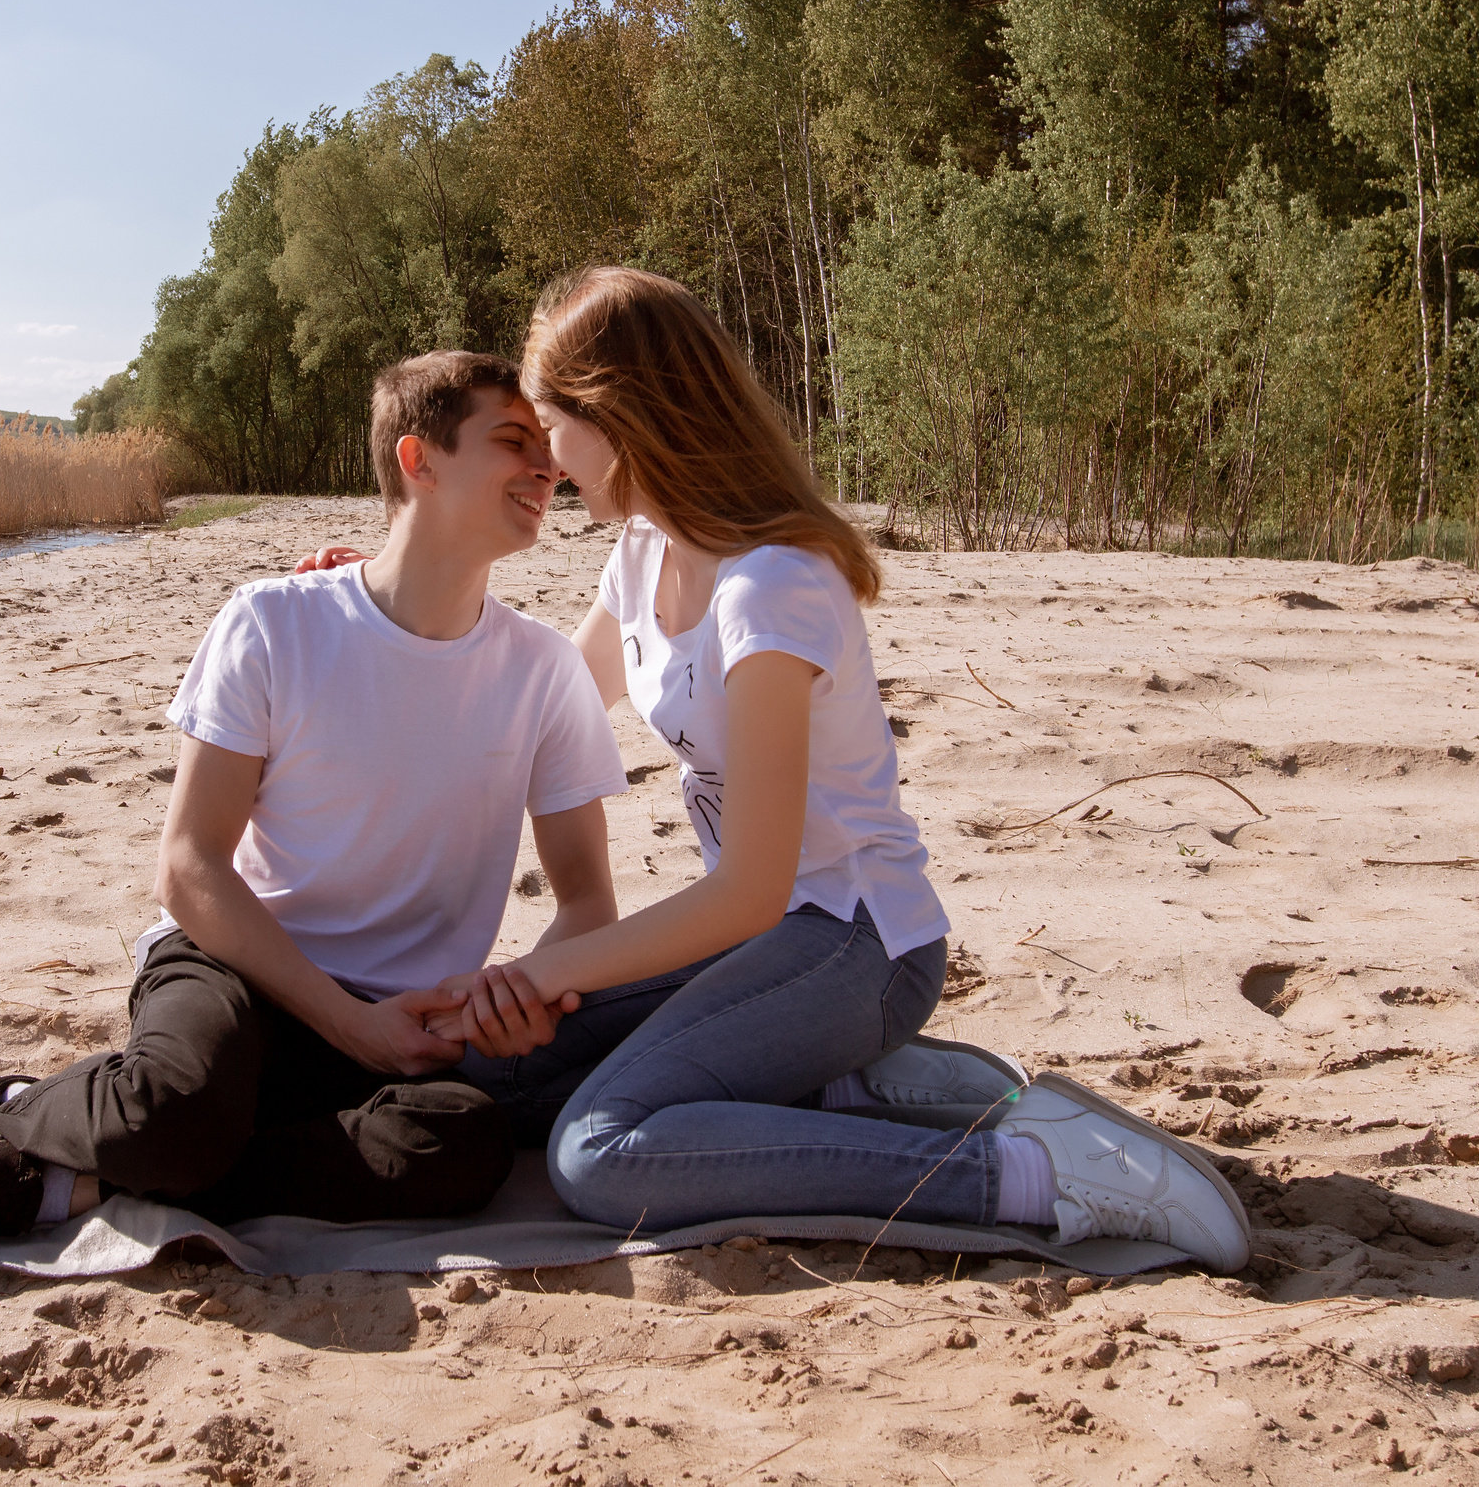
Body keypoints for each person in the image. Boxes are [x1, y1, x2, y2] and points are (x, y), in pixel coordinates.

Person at [426, 267, 1251, 1271]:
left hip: (857, 944)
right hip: (767, 941)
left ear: (621, 414)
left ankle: (1040, 1172)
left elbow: (750, 890)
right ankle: (846, 1089)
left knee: (600, 1154)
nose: (547, 458)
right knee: (491, 1076)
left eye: (552, 423)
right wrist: (390, 604)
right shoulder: (641, 553)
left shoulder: (768, 590)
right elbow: (544, 700)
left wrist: (545, 970)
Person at [0, 350, 644, 1251]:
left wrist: (511, 993)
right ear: (419, 459)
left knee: (461, 1145)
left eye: (547, 446)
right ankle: (20, 1115)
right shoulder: (275, 622)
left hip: (405, 1018)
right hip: (235, 965)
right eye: (513, 439)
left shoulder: (545, 674)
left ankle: (81, 1170)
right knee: (177, 1107)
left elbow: (586, 903)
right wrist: (349, 1024)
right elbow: (189, 866)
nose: (548, 465)